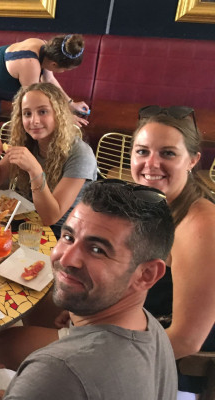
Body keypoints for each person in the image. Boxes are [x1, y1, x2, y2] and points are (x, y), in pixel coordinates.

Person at [0, 180, 178, 400]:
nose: (66, 258)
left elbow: (59, 381)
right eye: (68, 237)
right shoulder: (152, 330)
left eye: (97, 249)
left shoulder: (58, 369)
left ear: (147, 274)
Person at [130, 107, 215, 394]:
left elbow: (186, 340)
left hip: (173, 364)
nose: (151, 164)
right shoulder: (151, 202)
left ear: (193, 160)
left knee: (13, 345)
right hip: (136, 328)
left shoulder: (201, 223)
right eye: (142, 151)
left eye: (168, 153)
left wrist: (111, 359)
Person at [0, 34, 89, 182]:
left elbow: (49, 79)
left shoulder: (46, 50)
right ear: (54, 64)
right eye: (64, 70)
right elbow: (34, 102)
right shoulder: (29, 63)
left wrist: (70, 104)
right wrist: (64, 115)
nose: (63, 73)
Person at [0, 82, 96, 238]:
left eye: (43, 112)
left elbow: (50, 217)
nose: (34, 121)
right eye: (27, 114)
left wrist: (35, 171)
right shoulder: (26, 141)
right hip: (26, 221)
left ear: (59, 113)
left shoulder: (81, 154)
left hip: (63, 233)